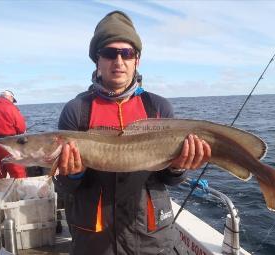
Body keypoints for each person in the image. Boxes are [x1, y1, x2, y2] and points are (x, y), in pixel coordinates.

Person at [53, 11, 211, 255]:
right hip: (93, 240)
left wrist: (179, 167)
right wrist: (71, 175)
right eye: (109, 53)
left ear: (137, 60)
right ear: (97, 60)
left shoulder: (158, 107)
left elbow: (169, 179)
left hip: (150, 236)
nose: (118, 61)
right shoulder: (77, 110)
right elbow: (64, 188)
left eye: (126, 53)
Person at [0, 90, 27, 179]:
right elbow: (21, 128)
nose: (13, 102)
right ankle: (19, 191)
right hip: (8, 144)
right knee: (18, 174)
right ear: (10, 97)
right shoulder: (11, 108)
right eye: (13, 100)